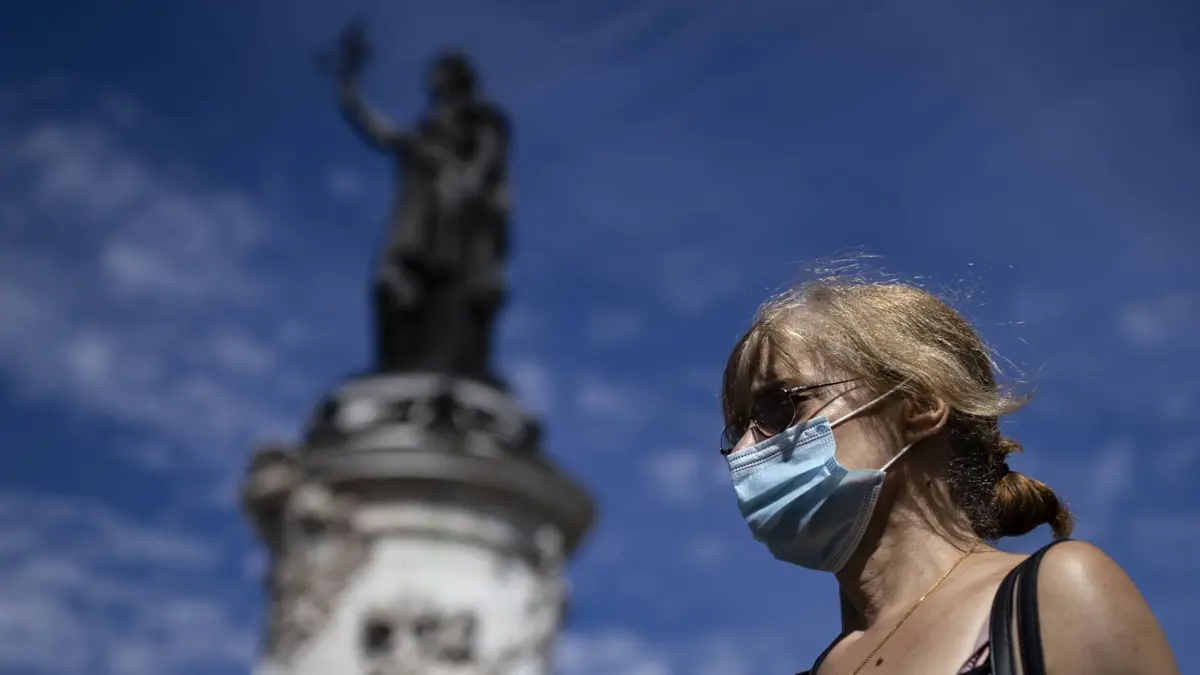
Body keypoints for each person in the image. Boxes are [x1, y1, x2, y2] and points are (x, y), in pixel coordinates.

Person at [718, 271, 1178, 675]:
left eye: (780, 405)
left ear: (919, 405)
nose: (742, 451)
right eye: (738, 430)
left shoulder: (1055, 598)